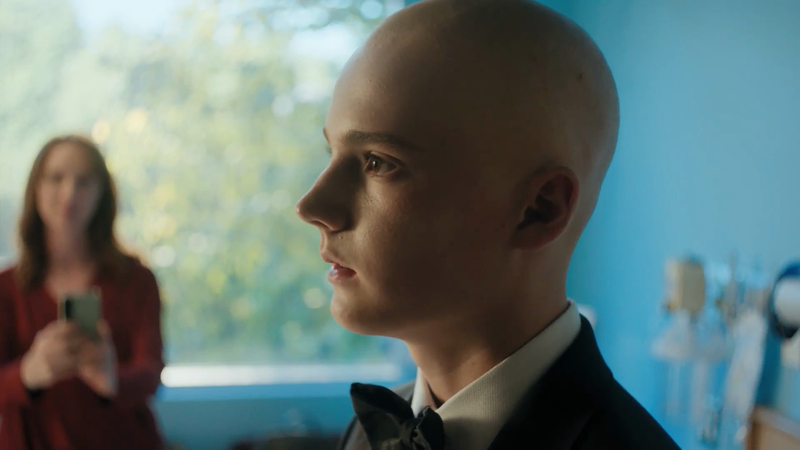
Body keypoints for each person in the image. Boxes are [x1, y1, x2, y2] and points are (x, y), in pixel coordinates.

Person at [296, 0, 679, 449]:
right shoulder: (366, 434)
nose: (312, 205)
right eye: (332, 153)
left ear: (538, 210)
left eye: (379, 162)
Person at [0, 135, 165, 449]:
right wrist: (29, 373)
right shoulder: (6, 288)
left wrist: (111, 378)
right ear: (36, 188)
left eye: (84, 181)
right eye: (56, 178)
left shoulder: (136, 280)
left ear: (102, 193)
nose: (69, 193)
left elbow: (151, 372)